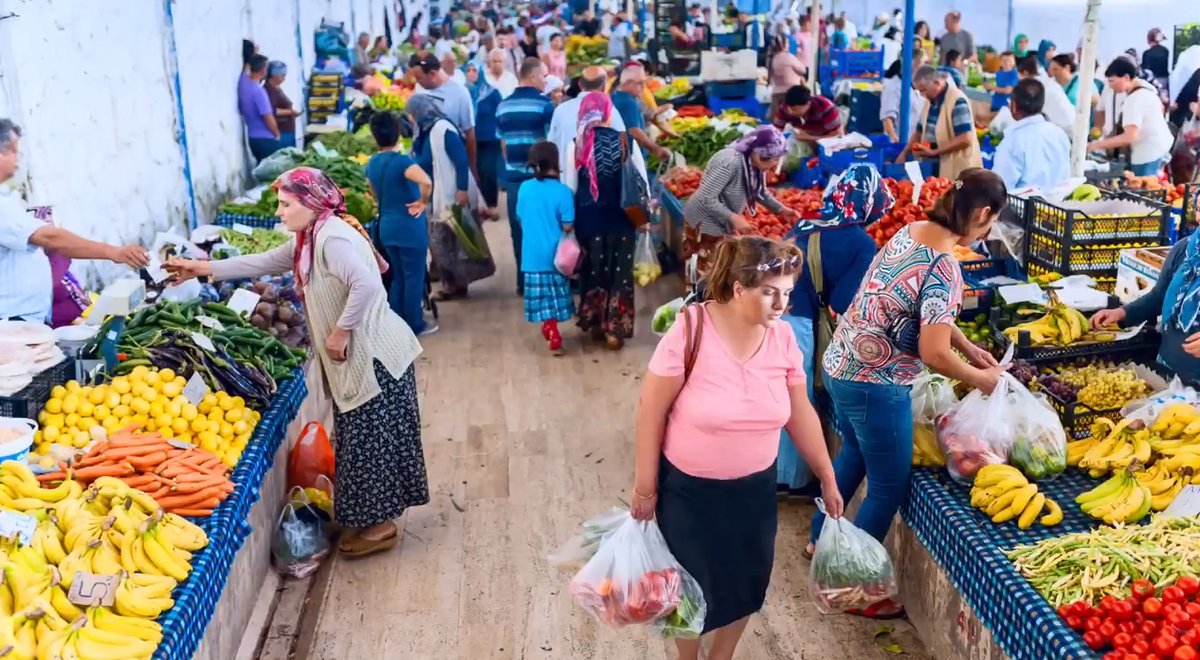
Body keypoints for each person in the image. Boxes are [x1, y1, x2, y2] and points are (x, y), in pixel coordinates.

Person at [166, 167, 427, 558]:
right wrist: (202, 269)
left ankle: (381, 527)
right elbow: (265, 262)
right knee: (361, 441)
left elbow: (367, 285)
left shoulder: (331, 238)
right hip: (362, 359)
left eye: (286, 204)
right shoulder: (311, 236)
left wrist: (340, 331)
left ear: (310, 203)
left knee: (372, 444)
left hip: (375, 358)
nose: (280, 212)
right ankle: (370, 517)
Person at [631, 235, 843, 660]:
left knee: (746, 582)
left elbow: (799, 411)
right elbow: (650, 411)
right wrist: (645, 488)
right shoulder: (690, 330)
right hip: (689, 492)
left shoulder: (782, 339)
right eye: (769, 293)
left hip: (753, 492)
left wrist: (827, 473)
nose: (781, 303)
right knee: (688, 584)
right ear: (738, 289)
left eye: (786, 292)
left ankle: (721, 656)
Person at [808, 169, 1009, 616]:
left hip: (842, 362)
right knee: (888, 485)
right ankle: (853, 588)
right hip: (876, 382)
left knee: (855, 455)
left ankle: (818, 539)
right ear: (981, 213)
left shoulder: (912, 231)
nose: (988, 231)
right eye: (991, 222)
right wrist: (980, 379)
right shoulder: (946, 266)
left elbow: (923, 310)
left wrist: (970, 348)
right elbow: (933, 353)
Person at [777, 164, 891, 494]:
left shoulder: (805, 225)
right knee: (799, 400)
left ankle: (770, 473)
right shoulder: (861, 242)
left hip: (774, 313)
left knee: (777, 393)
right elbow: (841, 301)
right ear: (869, 203)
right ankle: (792, 481)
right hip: (799, 323)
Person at [0, 119, 148, 322]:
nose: (18, 160)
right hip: (12, 319)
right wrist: (114, 252)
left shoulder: (7, 197)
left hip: (25, 316)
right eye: (14, 152)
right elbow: (50, 238)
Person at [682, 126, 801, 271]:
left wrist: (781, 209)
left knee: (720, 263)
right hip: (703, 220)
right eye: (773, 160)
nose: (774, 165)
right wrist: (733, 217)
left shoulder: (755, 162)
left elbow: (760, 191)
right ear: (761, 155)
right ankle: (700, 291)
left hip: (721, 220)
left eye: (777, 159)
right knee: (705, 264)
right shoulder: (730, 163)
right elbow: (705, 197)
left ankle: (713, 288)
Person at [1091, 230, 1200, 385]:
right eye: (1198, 209)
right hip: (1167, 375)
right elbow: (1158, 297)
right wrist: (1122, 313)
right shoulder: (1185, 250)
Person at [409, 93, 488, 302]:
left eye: (411, 114)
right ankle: (453, 284)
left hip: (449, 194)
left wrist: (462, 189)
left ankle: (455, 285)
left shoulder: (442, 129)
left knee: (450, 243)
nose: (410, 118)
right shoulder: (424, 132)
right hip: (435, 195)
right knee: (443, 244)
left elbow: (461, 161)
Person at [573, 93, 636, 350]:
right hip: (621, 219)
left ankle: (596, 323)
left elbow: (571, 186)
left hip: (589, 221)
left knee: (594, 270)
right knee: (619, 273)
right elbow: (637, 178)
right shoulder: (624, 142)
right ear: (608, 114)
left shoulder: (576, 145)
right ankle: (615, 332)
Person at [365, 112, 436, 336]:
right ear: (397, 133)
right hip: (408, 226)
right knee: (413, 276)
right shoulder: (402, 161)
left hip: (386, 226)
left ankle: (394, 325)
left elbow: (373, 192)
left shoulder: (372, 163)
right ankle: (415, 324)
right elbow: (426, 181)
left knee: (397, 276)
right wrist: (421, 202)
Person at [496, 57, 554, 295]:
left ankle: (523, 282)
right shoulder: (545, 105)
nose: (545, 81)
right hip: (538, 179)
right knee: (542, 230)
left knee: (518, 230)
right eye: (543, 76)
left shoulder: (503, 106)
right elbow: (550, 144)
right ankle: (543, 283)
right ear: (532, 77)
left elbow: (503, 144)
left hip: (513, 180)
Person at [516, 141, 575, 353]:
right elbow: (568, 225)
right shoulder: (564, 192)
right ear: (556, 162)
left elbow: (521, 220)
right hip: (557, 258)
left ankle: (549, 328)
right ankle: (553, 331)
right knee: (555, 298)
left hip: (531, 257)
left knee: (542, 301)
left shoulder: (524, 188)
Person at [1088, 57, 1173, 176]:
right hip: (1160, 147)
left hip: (1147, 153)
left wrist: (1096, 145)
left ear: (1126, 77)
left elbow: (1129, 137)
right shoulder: (1146, 89)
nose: (1110, 86)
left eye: (1112, 81)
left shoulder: (1134, 100)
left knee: (1143, 188)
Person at [548, 66, 628, 192]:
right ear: (603, 86)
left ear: (580, 84)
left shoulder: (560, 110)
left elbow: (551, 146)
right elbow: (624, 148)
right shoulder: (610, 110)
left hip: (565, 184)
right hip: (601, 186)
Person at [900, 66, 981, 182]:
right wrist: (905, 153)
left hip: (958, 171)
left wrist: (935, 152)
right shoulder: (930, 102)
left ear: (937, 83)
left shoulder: (957, 100)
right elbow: (919, 131)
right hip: (934, 167)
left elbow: (966, 139)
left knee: (955, 196)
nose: (922, 95)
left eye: (923, 90)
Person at [992, 79, 1071, 191]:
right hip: (1058, 205)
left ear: (1014, 106)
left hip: (1023, 207)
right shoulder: (1059, 134)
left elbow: (1001, 187)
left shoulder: (1012, 141)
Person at [409, 53, 478, 171]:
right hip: (424, 161)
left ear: (432, 74)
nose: (417, 81)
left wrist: (472, 167)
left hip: (449, 164)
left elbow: (470, 134)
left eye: (419, 77)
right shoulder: (420, 90)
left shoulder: (459, 93)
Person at [475, 51, 518, 220]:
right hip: (485, 130)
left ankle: (495, 199)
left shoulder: (510, 79)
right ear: (488, 62)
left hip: (504, 125)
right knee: (484, 168)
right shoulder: (483, 80)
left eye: (500, 61)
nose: (497, 64)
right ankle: (486, 203)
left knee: (496, 165)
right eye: (494, 61)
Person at [611, 64, 668, 177]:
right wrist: (656, 149)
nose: (643, 87)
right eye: (640, 83)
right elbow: (635, 132)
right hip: (631, 158)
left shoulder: (616, 95)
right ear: (628, 83)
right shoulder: (628, 102)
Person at [1016, 55, 1075, 134]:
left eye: (1019, 76)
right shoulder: (1047, 82)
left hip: (1063, 130)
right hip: (1072, 126)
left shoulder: (1034, 87)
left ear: (1025, 74)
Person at [238, 54, 281, 161]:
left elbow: (246, 68)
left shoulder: (244, 83)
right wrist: (276, 133)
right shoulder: (259, 92)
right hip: (265, 139)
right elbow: (267, 116)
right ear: (263, 70)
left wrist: (254, 54)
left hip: (252, 137)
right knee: (268, 173)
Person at [773, 84, 843, 146]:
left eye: (795, 109)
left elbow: (838, 136)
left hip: (828, 144)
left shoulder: (825, 108)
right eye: (789, 108)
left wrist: (808, 138)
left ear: (808, 104)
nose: (790, 112)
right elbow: (776, 131)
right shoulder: (785, 108)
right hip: (805, 139)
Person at [880, 55, 926, 143]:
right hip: (901, 143)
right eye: (922, 63)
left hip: (914, 143)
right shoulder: (893, 86)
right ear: (913, 63)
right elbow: (887, 118)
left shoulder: (913, 86)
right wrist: (894, 139)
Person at [767, 36, 806, 121]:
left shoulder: (773, 58)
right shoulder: (789, 57)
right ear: (784, 45)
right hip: (791, 93)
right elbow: (803, 70)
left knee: (777, 120)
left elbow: (770, 77)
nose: (789, 45)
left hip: (776, 95)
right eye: (788, 43)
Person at [265, 61, 299, 149]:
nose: (284, 78)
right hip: (281, 131)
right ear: (274, 75)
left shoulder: (276, 88)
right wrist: (290, 112)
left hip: (287, 130)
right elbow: (272, 111)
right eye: (282, 75)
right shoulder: (270, 90)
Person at [987, 51, 1018, 115]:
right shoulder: (997, 73)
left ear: (1014, 62)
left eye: (1009, 60)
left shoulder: (1015, 74)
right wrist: (989, 87)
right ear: (1000, 62)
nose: (1007, 63)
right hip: (995, 106)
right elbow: (988, 88)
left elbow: (1008, 90)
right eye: (1004, 61)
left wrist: (992, 87)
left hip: (1008, 108)